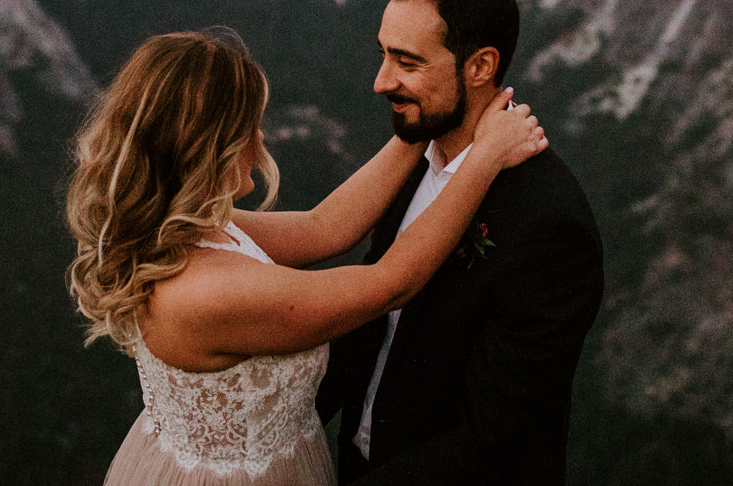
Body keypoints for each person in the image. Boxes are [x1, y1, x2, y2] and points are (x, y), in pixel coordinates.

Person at [68, 25, 548, 486]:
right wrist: (485, 158)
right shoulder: (207, 292)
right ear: (206, 147)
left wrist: (423, 120)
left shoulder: (182, 230)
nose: (260, 142)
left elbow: (324, 227)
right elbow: (390, 283)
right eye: (248, 129)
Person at [318, 0, 604, 485]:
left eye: (407, 62)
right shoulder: (411, 157)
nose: (382, 82)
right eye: (384, 55)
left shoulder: (549, 223)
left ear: (480, 66)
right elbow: (369, 325)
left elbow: (494, 434)